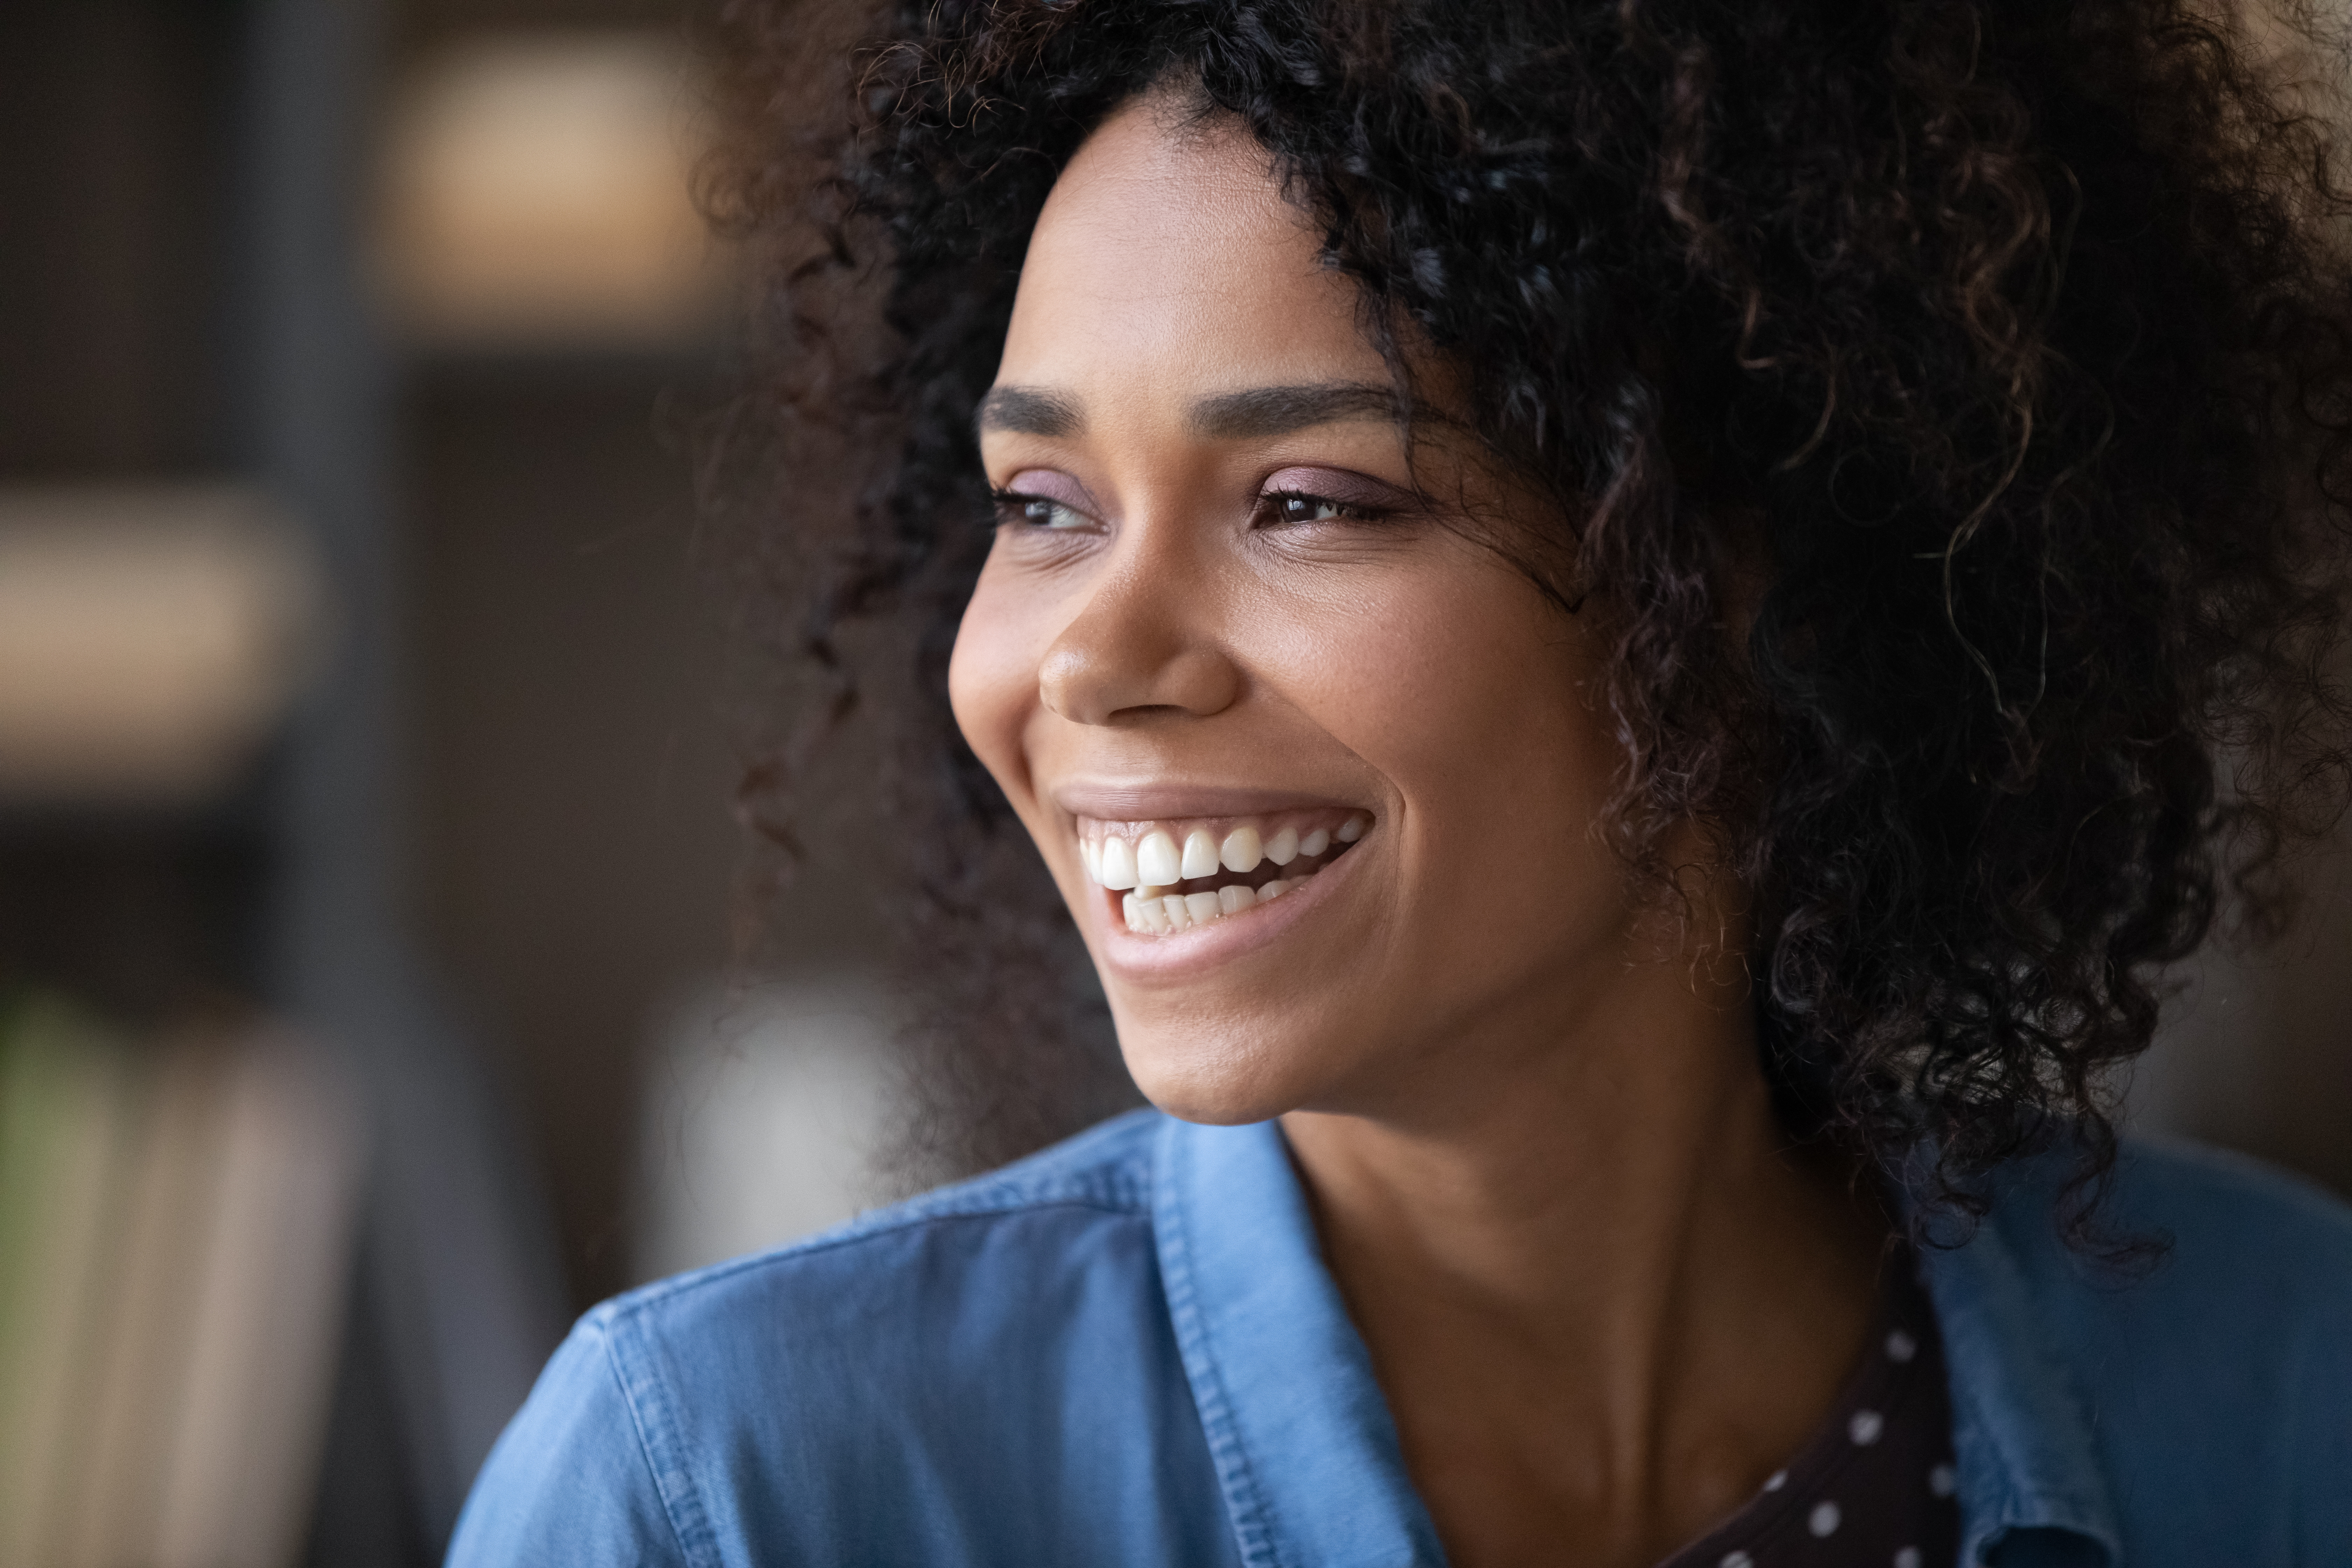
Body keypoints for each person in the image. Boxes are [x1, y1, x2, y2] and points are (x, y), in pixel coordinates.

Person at [449, 2, 2352, 1563]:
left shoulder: (2288, 1400)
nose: (1092, 661)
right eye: (1041, 507)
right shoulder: (730, 1496)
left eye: (1306, 502)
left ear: (1751, 569)